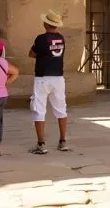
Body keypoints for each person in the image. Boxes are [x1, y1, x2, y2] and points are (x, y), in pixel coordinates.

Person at [29, 10, 69, 154]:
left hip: (42, 77)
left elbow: (32, 53)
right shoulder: (61, 38)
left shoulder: (40, 39)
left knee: (39, 109)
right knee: (61, 109)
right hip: (58, 77)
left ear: (46, 23)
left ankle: (41, 143)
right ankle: (63, 141)